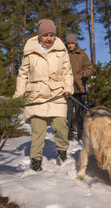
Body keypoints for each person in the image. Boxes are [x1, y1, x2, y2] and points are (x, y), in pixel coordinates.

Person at [13, 19, 74, 172]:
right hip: (36, 96)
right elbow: (23, 75)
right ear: (40, 36)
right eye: (46, 35)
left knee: (61, 126)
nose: (49, 38)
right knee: (38, 131)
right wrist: (19, 95)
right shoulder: (30, 52)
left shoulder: (61, 51)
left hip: (56, 95)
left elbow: (67, 72)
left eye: (52, 35)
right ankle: (36, 162)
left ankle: (62, 153)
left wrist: (68, 87)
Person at [65, 33, 93, 141]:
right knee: (68, 114)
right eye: (68, 43)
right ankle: (69, 133)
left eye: (72, 43)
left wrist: (87, 73)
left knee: (80, 113)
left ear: (75, 43)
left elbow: (89, 66)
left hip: (80, 87)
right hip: (67, 88)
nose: (70, 45)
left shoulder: (82, 54)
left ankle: (81, 133)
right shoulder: (64, 54)